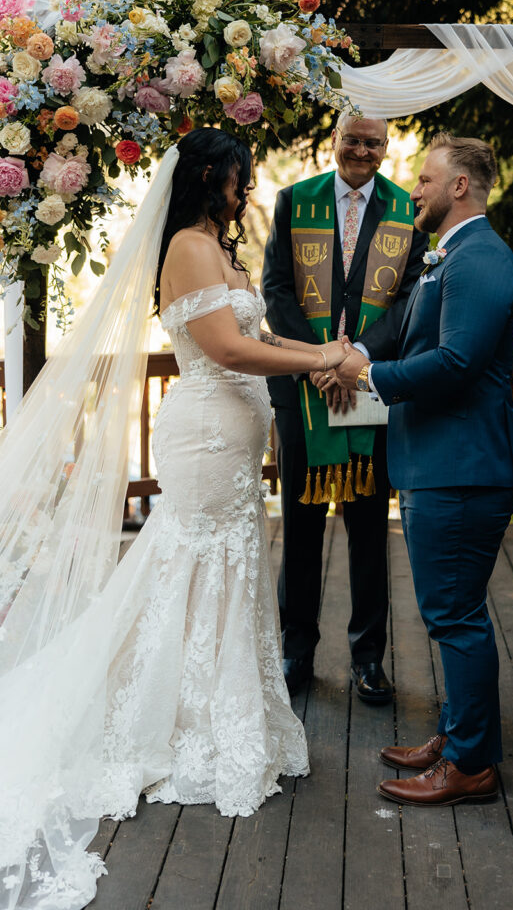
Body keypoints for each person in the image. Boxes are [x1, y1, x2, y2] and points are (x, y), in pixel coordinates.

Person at [0, 129, 350, 909]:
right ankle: (167, 723)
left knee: (221, 567)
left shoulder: (220, 250)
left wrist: (323, 349)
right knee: (190, 563)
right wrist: (321, 362)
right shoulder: (189, 249)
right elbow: (226, 350)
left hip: (230, 441)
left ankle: (215, 713)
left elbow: (259, 335)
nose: (243, 182)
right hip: (201, 436)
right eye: (234, 173)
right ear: (205, 179)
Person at [334, 133, 513, 805]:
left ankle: (471, 765)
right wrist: (359, 350)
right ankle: (456, 734)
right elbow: (407, 333)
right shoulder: (447, 254)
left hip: (463, 466)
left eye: (423, 178)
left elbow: (456, 364)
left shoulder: (479, 259)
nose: (411, 188)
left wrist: (369, 375)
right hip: (440, 462)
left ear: (458, 187)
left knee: (454, 616)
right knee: (451, 612)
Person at [261, 112, 428, 702]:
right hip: (304, 388)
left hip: (368, 384)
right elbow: (276, 289)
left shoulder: (408, 210)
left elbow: (407, 299)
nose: (362, 149)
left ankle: (367, 658)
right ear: (336, 142)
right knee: (301, 528)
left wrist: (354, 357)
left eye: (373, 142)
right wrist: (318, 360)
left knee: (366, 532)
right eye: (352, 139)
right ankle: (296, 651)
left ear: (386, 148)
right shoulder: (294, 201)